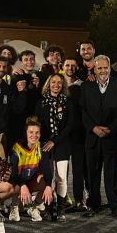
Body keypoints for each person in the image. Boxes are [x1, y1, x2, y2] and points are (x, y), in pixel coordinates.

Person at [80, 55, 117, 217]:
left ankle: (115, 205)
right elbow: (83, 111)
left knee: (113, 173)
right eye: (99, 68)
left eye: (105, 67)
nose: (103, 70)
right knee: (92, 173)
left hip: (112, 137)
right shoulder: (86, 87)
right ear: (94, 69)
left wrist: (110, 128)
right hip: (93, 137)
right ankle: (94, 204)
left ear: (110, 68)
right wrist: (94, 128)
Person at [35, 73, 75, 221]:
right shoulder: (41, 103)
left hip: (62, 144)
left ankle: (61, 210)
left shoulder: (67, 103)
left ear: (63, 85)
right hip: (45, 144)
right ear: (48, 84)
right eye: (53, 82)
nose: (56, 85)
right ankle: (49, 208)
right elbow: (37, 124)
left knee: (61, 177)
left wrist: (55, 141)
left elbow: (70, 126)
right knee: (49, 178)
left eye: (59, 83)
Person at [10, 117, 55, 222]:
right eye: (31, 132)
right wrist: (22, 185)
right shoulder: (17, 148)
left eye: (37, 132)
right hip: (18, 183)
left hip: (31, 181)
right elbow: (14, 174)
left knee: (50, 184)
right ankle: (14, 206)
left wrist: (48, 186)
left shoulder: (41, 148)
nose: (34, 135)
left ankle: (33, 206)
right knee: (13, 183)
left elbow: (47, 170)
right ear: (25, 133)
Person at [62, 58, 88, 210]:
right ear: (62, 67)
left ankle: (80, 199)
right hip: (63, 134)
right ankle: (62, 197)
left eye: (73, 65)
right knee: (61, 170)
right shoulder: (57, 82)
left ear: (77, 67)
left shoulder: (83, 84)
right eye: (67, 65)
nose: (70, 68)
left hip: (78, 132)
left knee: (78, 168)